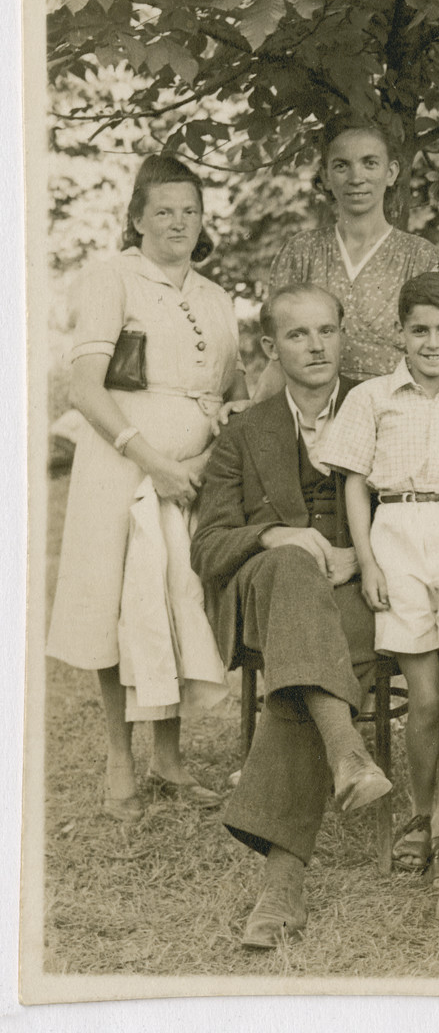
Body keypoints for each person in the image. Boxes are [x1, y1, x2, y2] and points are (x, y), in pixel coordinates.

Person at [47, 154, 249, 823]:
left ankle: (169, 759)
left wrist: (209, 452)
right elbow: (84, 386)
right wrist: (153, 461)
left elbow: (234, 393)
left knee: (170, 606)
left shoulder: (215, 295)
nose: (178, 222)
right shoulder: (112, 279)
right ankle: (118, 761)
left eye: (190, 210)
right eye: (163, 210)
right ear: (137, 218)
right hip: (123, 467)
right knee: (115, 609)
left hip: (191, 480)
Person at [190, 283, 391, 950]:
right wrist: (276, 537)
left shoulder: (384, 405)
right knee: (296, 572)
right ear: (272, 347)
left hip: (359, 593)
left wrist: (362, 558)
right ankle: (347, 752)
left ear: (343, 335)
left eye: (326, 331)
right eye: (298, 335)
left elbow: (422, 507)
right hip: (267, 591)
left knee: (305, 676)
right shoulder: (245, 431)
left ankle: (283, 884)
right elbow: (207, 543)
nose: (315, 346)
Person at [320, 272, 439, 875]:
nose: (431, 341)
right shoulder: (371, 397)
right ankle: (423, 814)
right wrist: (368, 561)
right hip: (395, 536)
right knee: (423, 699)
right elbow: (352, 482)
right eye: (419, 329)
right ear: (400, 332)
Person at [253, 115, 438, 401]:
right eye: (342, 166)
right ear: (326, 176)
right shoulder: (301, 252)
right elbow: (278, 358)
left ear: (391, 173)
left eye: (369, 163)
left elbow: (432, 353)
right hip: (313, 408)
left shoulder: (420, 256)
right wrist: (253, 413)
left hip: (394, 409)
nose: (356, 178)